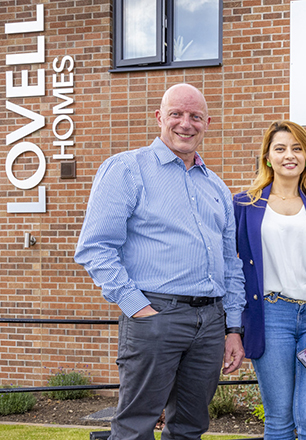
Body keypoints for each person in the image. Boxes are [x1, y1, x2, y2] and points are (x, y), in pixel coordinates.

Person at [74, 83, 246, 440]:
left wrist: (233, 328)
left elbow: (231, 264)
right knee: (136, 425)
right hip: (156, 316)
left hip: (210, 323)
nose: (186, 124)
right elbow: (96, 247)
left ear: (207, 123)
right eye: (176, 114)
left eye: (195, 116)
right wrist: (138, 308)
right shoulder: (126, 169)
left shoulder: (216, 187)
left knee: (190, 427)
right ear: (159, 118)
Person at [233, 121, 306, 440]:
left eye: (296, 148)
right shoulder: (245, 205)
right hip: (270, 318)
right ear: (268, 158)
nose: (289, 155)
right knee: (279, 421)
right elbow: (231, 268)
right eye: (280, 149)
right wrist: (233, 327)